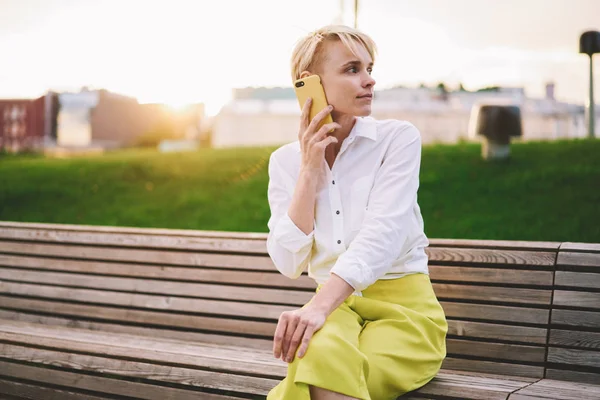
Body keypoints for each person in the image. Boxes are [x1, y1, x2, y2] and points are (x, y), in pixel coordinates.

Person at [265, 24, 448, 400]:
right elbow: (287, 261)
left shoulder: (397, 139)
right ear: (309, 82)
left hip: (404, 311)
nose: (369, 80)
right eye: (352, 69)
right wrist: (308, 170)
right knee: (322, 367)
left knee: (317, 382)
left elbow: (382, 233)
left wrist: (316, 308)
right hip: (334, 312)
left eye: (369, 68)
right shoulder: (284, 162)